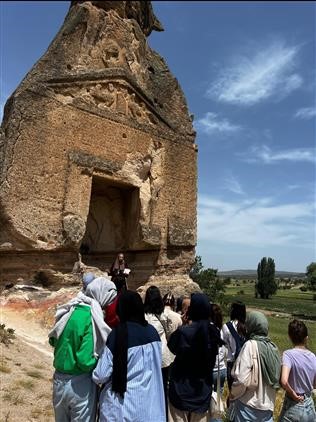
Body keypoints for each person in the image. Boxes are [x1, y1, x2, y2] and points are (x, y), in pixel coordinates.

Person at [48, 277, 117, 422]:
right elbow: (85, 361)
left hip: (59, 381)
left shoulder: (69, 310)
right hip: (80, 385)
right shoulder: (91, 318)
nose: (108, 305)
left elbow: (53, 339)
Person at [92, 290, 165, 422]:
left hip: (123, 409)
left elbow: (101, 375)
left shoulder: (118, 334)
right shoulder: (153, 333)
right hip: (150, 408)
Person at [167, 293, 224, 422]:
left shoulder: (184, 332)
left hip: (180, 393)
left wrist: (184, 324)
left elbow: (171, 346)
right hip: (201, 394)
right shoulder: (213, 333)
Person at [228, 311, 281, 422]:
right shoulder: (273, 349)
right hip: (268, 408)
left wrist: (233, 394)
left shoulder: (250, 345)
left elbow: (241, 379)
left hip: (248, 406)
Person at [144, 286, 173, 418]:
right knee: (162, 388)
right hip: (163, 356)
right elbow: (170, 333)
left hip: (148, 356)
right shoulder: (164, 314)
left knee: (150, 388)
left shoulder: (143, 315)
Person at [279, 319, 316, 422]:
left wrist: (292, 394)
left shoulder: (288, 354)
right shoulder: (313, 357)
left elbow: (284, 381)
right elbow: (315, 384)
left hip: (293, 405)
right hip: (309, 405)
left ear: (290, 336)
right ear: (306, 338)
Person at [222, 301, 246, 390]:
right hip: (246, 364)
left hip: (232, 363)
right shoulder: (247, 326)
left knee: (232, 393)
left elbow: (224, 343)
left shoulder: (227, 326)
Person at [210, 304, 227, 395]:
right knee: (218, 400)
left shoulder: (208, 329)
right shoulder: (223, 329)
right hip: (222, 368)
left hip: (211, 369)